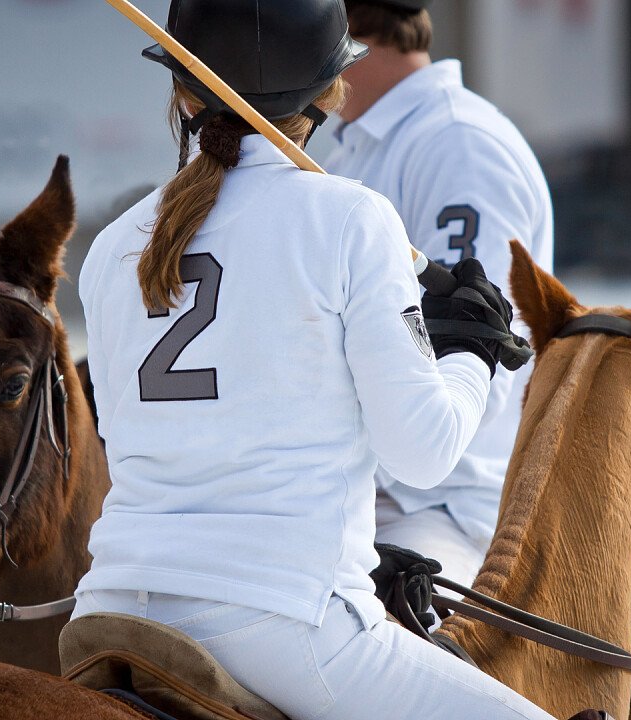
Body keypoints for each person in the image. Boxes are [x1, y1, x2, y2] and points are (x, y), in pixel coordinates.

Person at [70, 1, 559, 718]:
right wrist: (470, 352)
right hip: (282, 623)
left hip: (107, 607)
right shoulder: (353, 219)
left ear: (181, 93)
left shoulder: (112, 246)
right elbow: (422, 454)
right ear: (331, 93)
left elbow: (123, 437)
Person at [323, 0, 555, 596]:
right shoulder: (352, 141)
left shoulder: (457, 145)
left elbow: (482, 351)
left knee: (392, 622)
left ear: (348, 22)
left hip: (443, 506)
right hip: (354, 490)